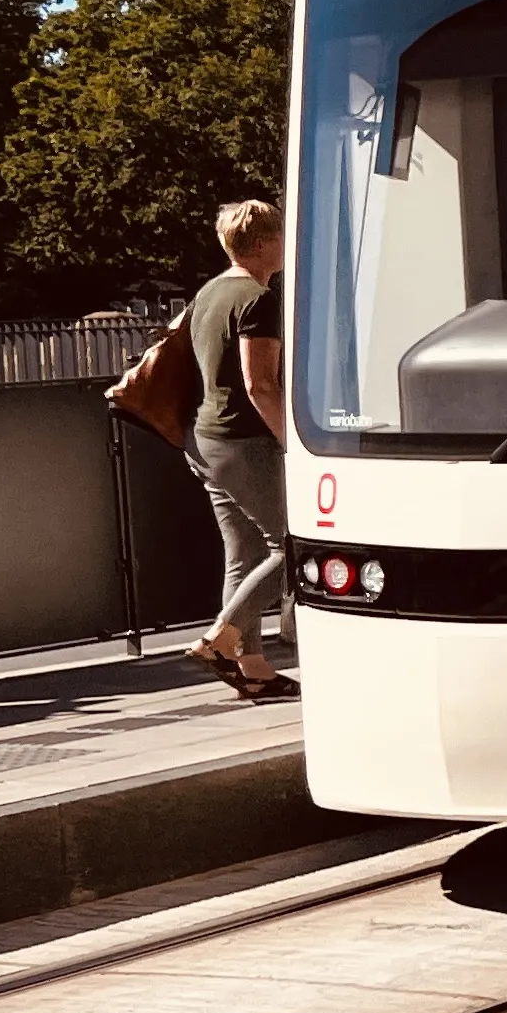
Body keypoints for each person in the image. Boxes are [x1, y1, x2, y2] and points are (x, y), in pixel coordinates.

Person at [184, 199, 297, 700]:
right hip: (242, 441)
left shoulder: (209, 292)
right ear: (264, 243)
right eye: (281, 237)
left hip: (205, 440)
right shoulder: (257, 299)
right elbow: (261, 385)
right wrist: (292, 443)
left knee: (244, 554)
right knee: (292, 548)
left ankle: (251, 666)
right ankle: (219, 638)